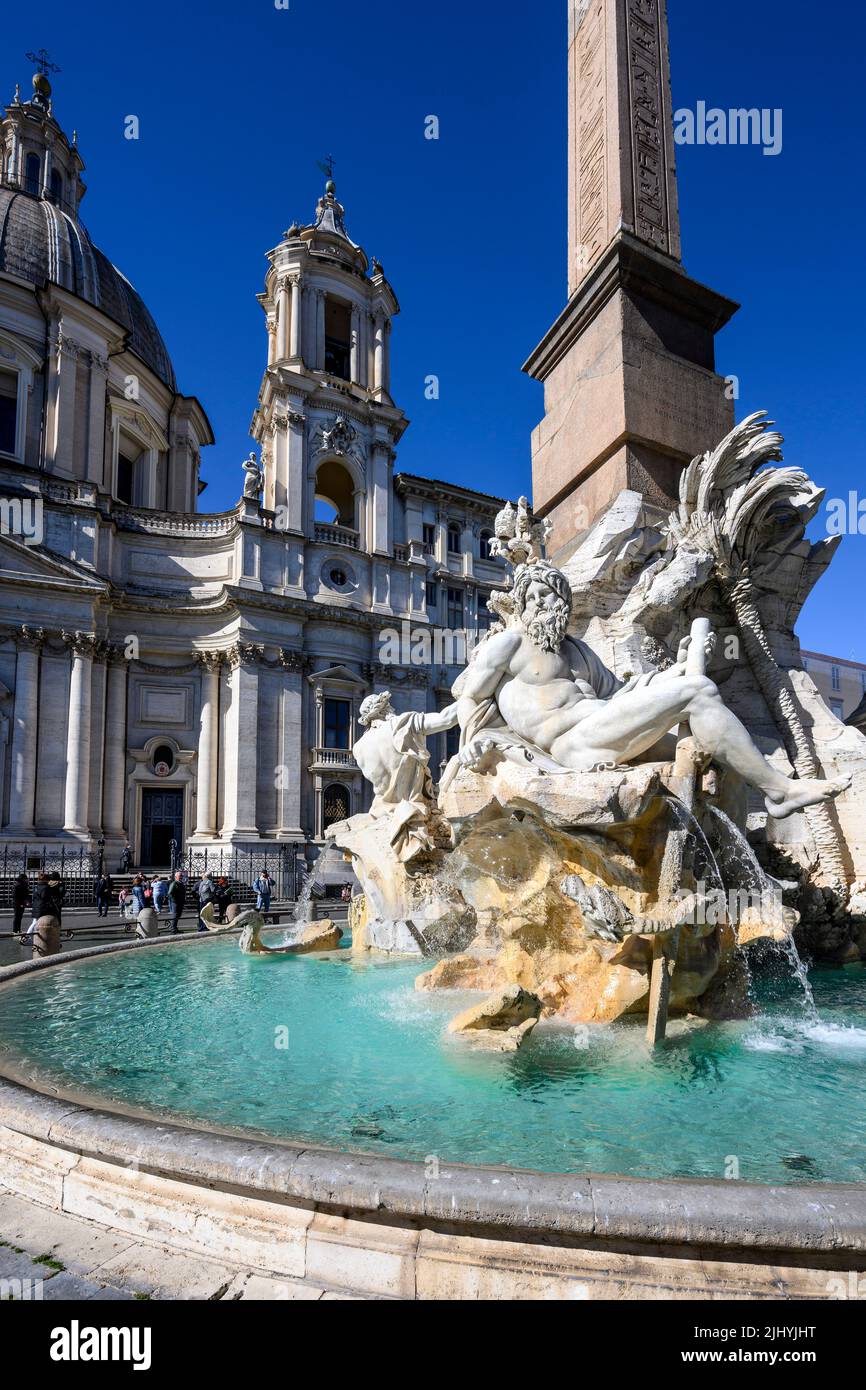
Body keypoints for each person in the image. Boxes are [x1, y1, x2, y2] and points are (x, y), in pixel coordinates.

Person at [449, 559, 851, 820]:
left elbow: (623, 694)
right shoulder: (511, 644)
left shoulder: (578, 650)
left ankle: (732, 857)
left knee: (714, 754)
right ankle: (779, 790)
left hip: (603, 726)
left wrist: (678, 666)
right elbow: (469, 695)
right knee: (697, 692)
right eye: (530, 597)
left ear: (562, 601)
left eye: (547, 594)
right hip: (571, 746)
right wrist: (475, 739)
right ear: (520, 605)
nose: (538, 603)